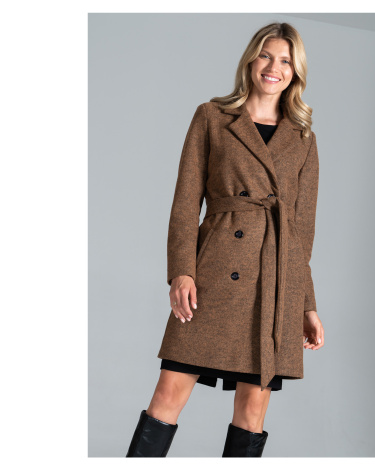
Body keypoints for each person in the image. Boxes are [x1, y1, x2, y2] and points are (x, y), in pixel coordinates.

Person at [126, 21, 325, 458]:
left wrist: (306, 305)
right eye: (266, 55)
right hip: (214, 273)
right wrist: (182, 272)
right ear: (251, 60)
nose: (274, 67)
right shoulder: (212, 116)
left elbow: (301, 233)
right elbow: (185, 205)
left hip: (273, 286)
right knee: (167, 396)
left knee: (253, 410)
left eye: (285, 60)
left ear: (295, 71)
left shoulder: (303, 138)